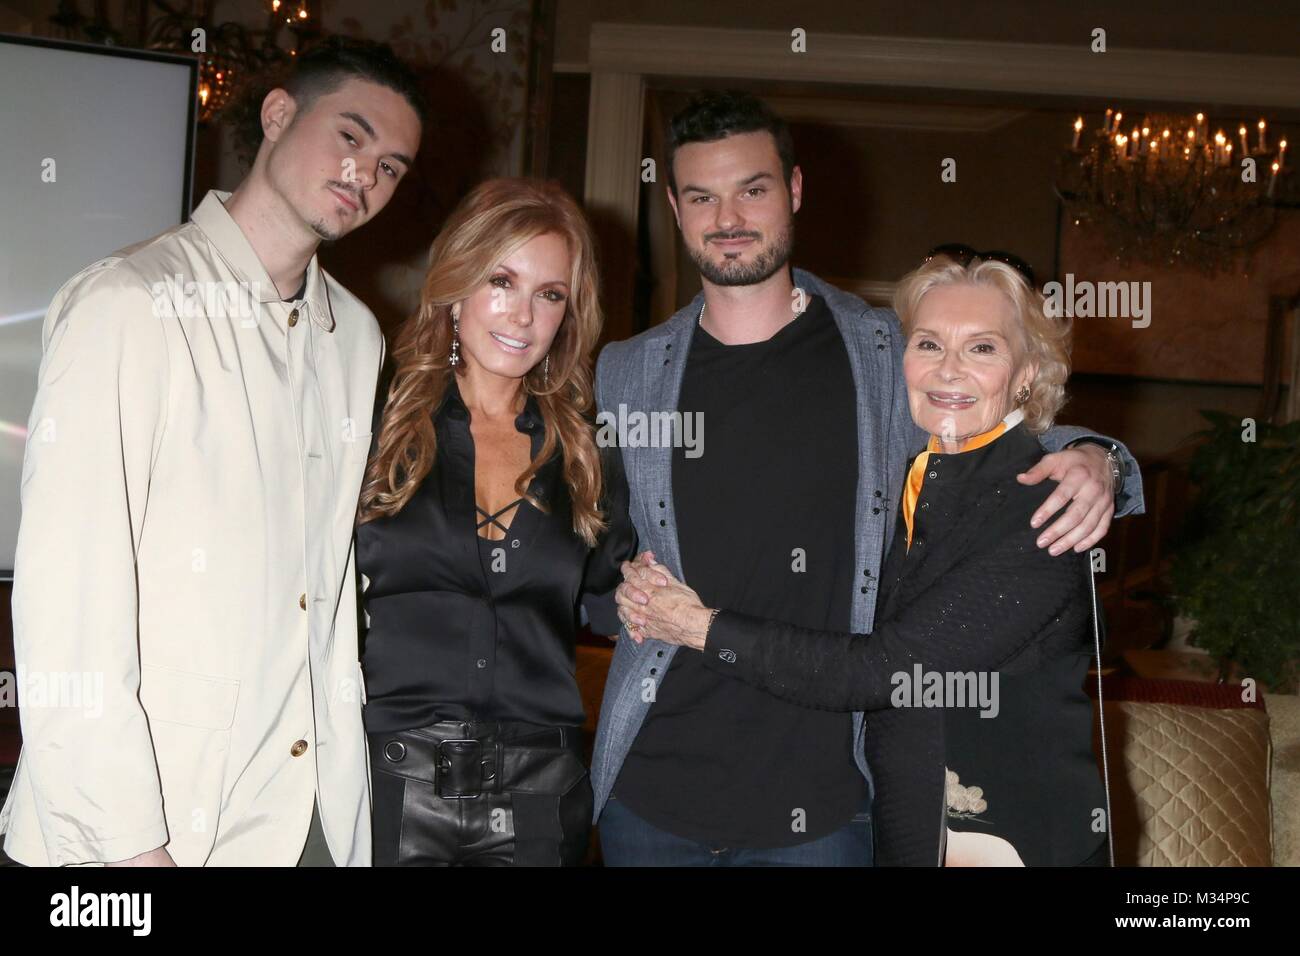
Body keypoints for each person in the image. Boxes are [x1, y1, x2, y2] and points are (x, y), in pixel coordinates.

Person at [589, 90, 1142, 867]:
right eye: (702, 197)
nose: (729, 217)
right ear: (676, 210)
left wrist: (1099, 459)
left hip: (825, 800)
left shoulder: (889, 351)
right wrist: (612, 594)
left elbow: (997, 421)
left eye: (753, 189)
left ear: (795, 192)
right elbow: (598, 545)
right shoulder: (627, 371)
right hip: (651, 798)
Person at [0, 38, 425, 866]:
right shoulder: (129, 303)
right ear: (277, 115)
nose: (366, 174)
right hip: (147, 829)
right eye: (351, 136)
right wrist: (127, 847)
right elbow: (69, 605)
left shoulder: (357, 338)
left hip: (307, 816)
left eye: (393, 166)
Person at [355, 178, 636, 866]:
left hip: (539, 797)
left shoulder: (589, 454)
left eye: (550, 294)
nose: (523, 316)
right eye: (502, 281)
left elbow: (617, 591)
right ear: (456, 284)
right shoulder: (373, 421)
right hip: (387, 784)